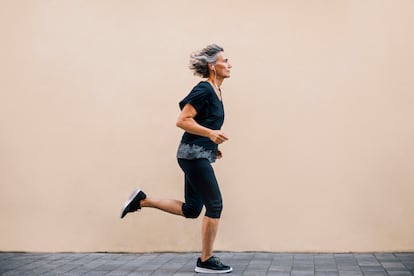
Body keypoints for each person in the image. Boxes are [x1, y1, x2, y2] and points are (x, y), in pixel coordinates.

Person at [120, 44, 232, 274]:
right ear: (213, 66)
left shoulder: (216, 91)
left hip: (196, 154)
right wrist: (210, 134)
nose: (230, 65)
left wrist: (211, 145)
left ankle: (142, 200)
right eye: (225, 61)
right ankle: (206, 260)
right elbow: (182, 120)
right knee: (215, 205)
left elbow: (202, 123)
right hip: (192, 155)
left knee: (192, 209)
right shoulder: (203, 90)